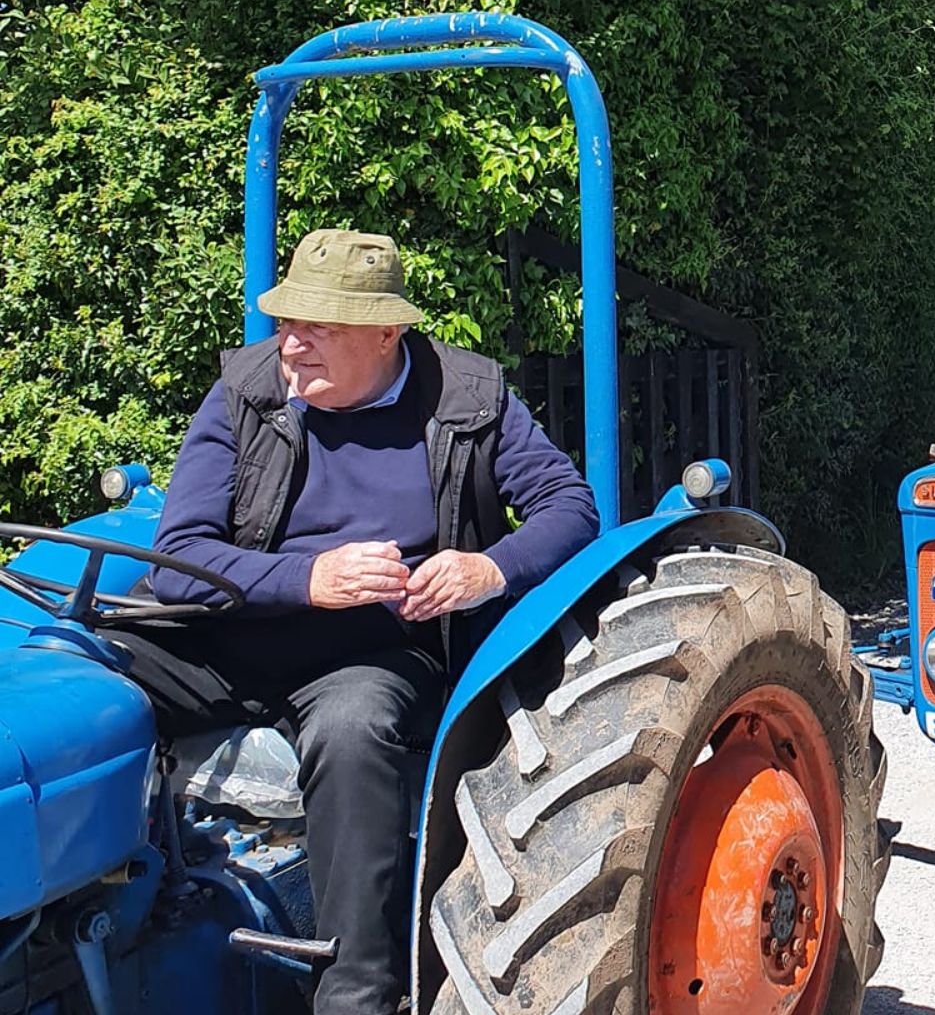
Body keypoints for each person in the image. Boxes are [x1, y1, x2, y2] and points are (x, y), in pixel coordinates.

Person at [104, 229, 600, 1014]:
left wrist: (486, 569)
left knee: (353, 728)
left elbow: (570, 508)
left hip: (372, 650)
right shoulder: (246, 391)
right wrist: (309, 578)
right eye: (286, 322)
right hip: (233, 633)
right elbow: (178, 559)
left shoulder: (467, 396)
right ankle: (115, 914)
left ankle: (358, 997)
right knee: (87, 678)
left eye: (318, 328)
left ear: (385, 333)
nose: (291, 346)